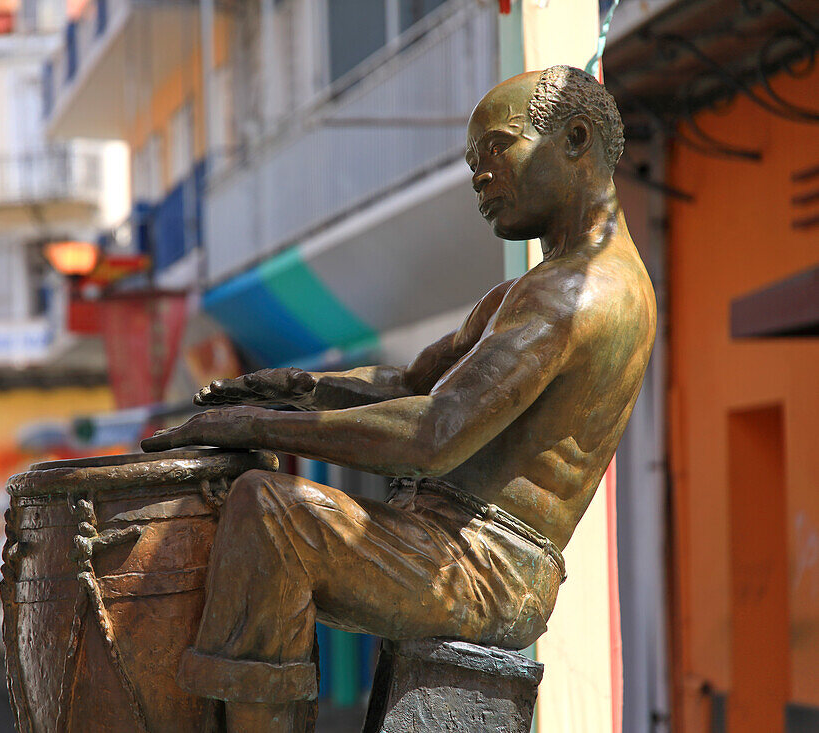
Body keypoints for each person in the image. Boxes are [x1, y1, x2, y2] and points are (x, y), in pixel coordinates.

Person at [142, 65, 656, 731]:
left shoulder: (581, 292)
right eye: (472, 160)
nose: (478, 175)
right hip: (451, 542)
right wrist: (301, 389)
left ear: (576, 138)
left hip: (490, 565)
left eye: (495, 149)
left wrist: (257, 427)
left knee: (272, 512)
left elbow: (433, 434)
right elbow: (415, 384)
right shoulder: (533, 287)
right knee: (265, 512)